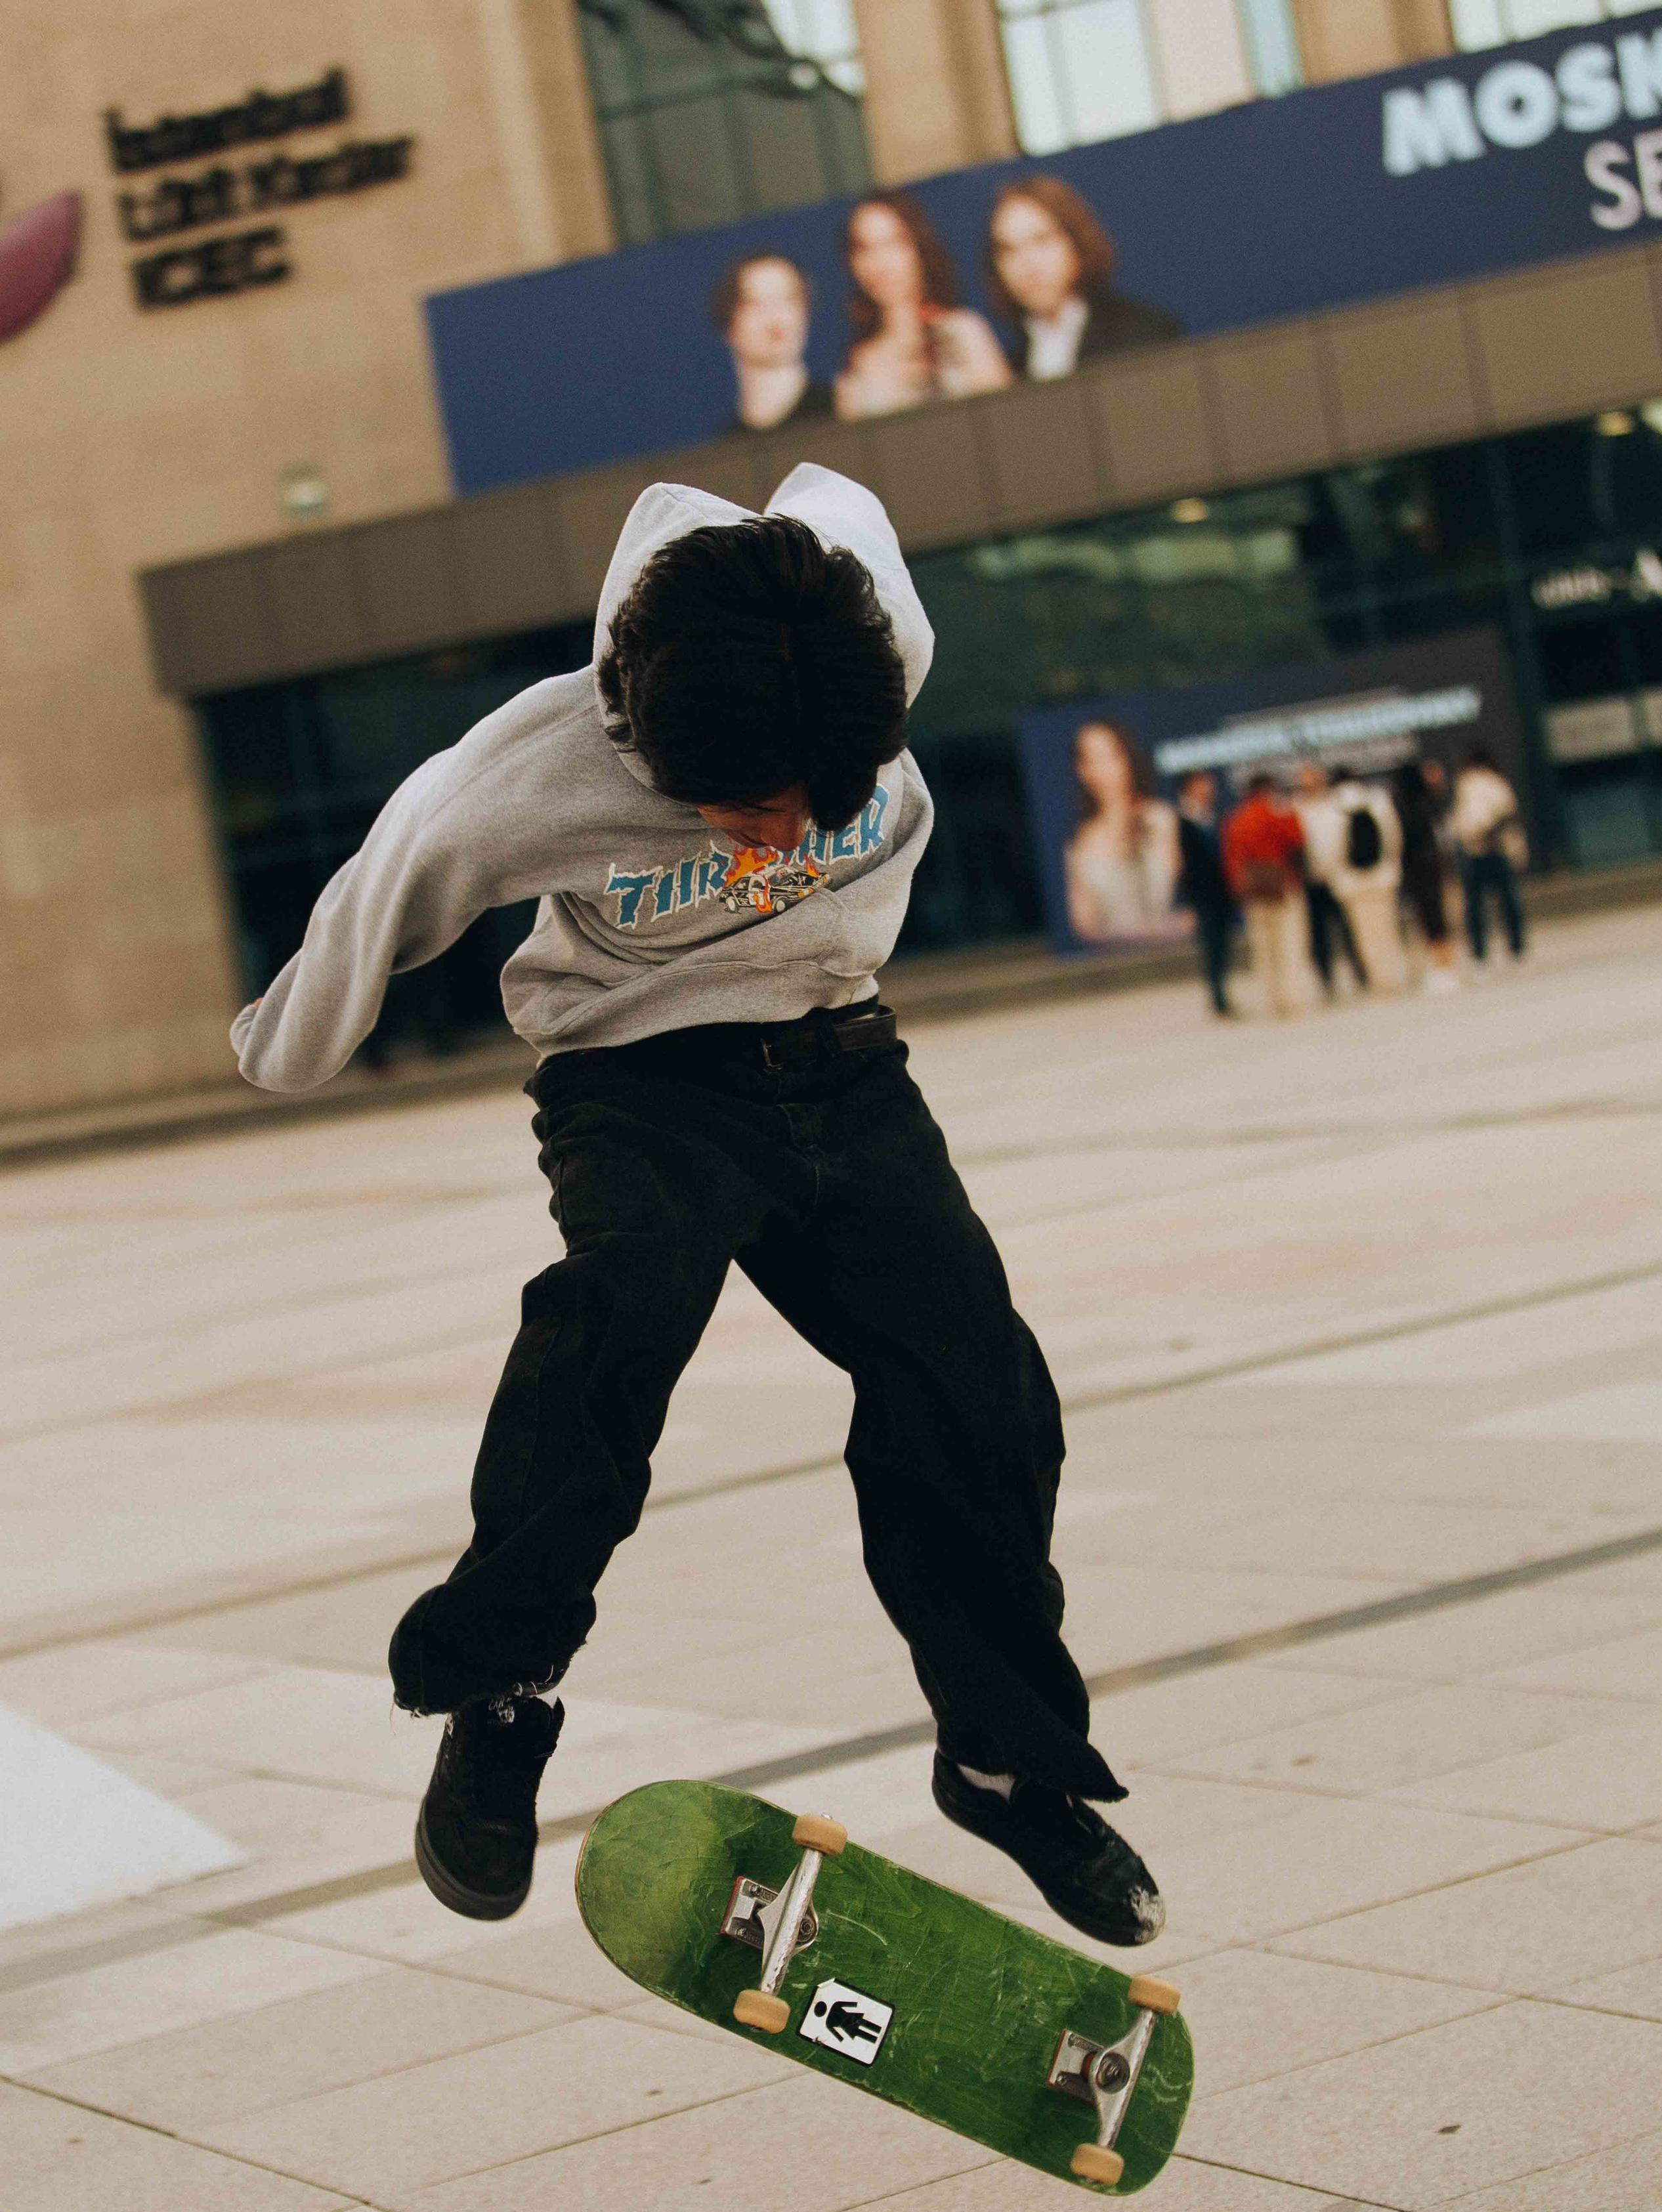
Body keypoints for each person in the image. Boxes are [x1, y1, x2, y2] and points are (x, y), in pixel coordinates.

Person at [231, 464, 1163, 1953]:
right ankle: (498, 1695)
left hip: (844, 1056)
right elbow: (388, 877)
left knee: (975, 1387)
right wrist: (281, 1043)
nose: (766, 838)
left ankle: (1003, 1761)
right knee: (619, 1315)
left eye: (804, 809)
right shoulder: (535, 765)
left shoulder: (873, 656)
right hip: (638, 1076)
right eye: (732, 811)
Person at [833, 192, 1010, 420]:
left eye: (893, 243)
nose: (879, 262)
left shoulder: (965, 331)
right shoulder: (856, 368)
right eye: (864, 248)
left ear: (918, 247)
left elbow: (1006, 422)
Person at [985, 176, 1180, 381]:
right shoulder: (1013, 366)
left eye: (1041, 240)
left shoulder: (1143, 333)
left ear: (1076, 242)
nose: (1027, 263)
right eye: (1008, 250)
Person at [1063, 720, 1185, 944]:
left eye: (1112, 755)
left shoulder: (1162, 819)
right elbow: (1084, 924)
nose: (1105, 768)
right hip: (1115, 959)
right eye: (1092, 758)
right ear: (1082, 770)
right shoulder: (1080, 843)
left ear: (1128, 758)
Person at [1220, 770, 1310, 1017]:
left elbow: (1232, 860)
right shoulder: (1275, 812)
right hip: (1282, 887)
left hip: (1254, 894)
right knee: (1289, 945)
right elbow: (1297, 838)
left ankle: (1273, 1000)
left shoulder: (1236, 819)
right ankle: (1291, 998)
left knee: (1264, 949)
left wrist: (1240, 889)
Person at [714, 252, 833, 433]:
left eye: (788, 299)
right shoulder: (725, 448)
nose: (774, 318)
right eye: (755, 303)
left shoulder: (842, 411)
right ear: (730, 324)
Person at [1290, 759, 1367, 1001]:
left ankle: (1361, 974)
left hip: (1338, 878)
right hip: (1311, 882)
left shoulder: (1336, 804)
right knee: (1318, 936)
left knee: (1349, 930)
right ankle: (1326, 981)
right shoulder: (1296, 809)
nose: (1310, 784)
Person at [1328, 764, 1407, 994]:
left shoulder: (1333, 806)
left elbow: (1333, 850)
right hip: (1382, 877)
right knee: (1387, 929)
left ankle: (1379, 981)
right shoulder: (1377, 800)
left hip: (1353, 884)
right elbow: (1393, 838)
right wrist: (1391, 865)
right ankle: (1395, 976)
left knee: (1365, 935)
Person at [1450, 746, 1527, 967]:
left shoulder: (1469, 783)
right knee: (1505, 900)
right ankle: (1515, 945)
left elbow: (1466, 819)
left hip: (1481, 849)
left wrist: (1475, 834)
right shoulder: (1495, 781)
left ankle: (1481, 952)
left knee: (1478, 905)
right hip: (1494, 848)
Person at [1174, 769, 1239, 1017]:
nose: (1209, 789)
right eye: (1203, 784)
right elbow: (1183, 865)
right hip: (1203, 897)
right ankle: (1218, 997)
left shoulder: (1215, 816)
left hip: (1223, 894)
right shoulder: (1183, 821)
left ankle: (1222, 993)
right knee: (1211, 947)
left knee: (1223, 945)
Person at [1392, 758, 1459, 993]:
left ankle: (1442, 966)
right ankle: (1445, 965)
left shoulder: (1400, 804)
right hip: (1432, 863)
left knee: (1428, 917)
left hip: (1414, 866)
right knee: (1437, 915)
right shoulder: (1427, 800)